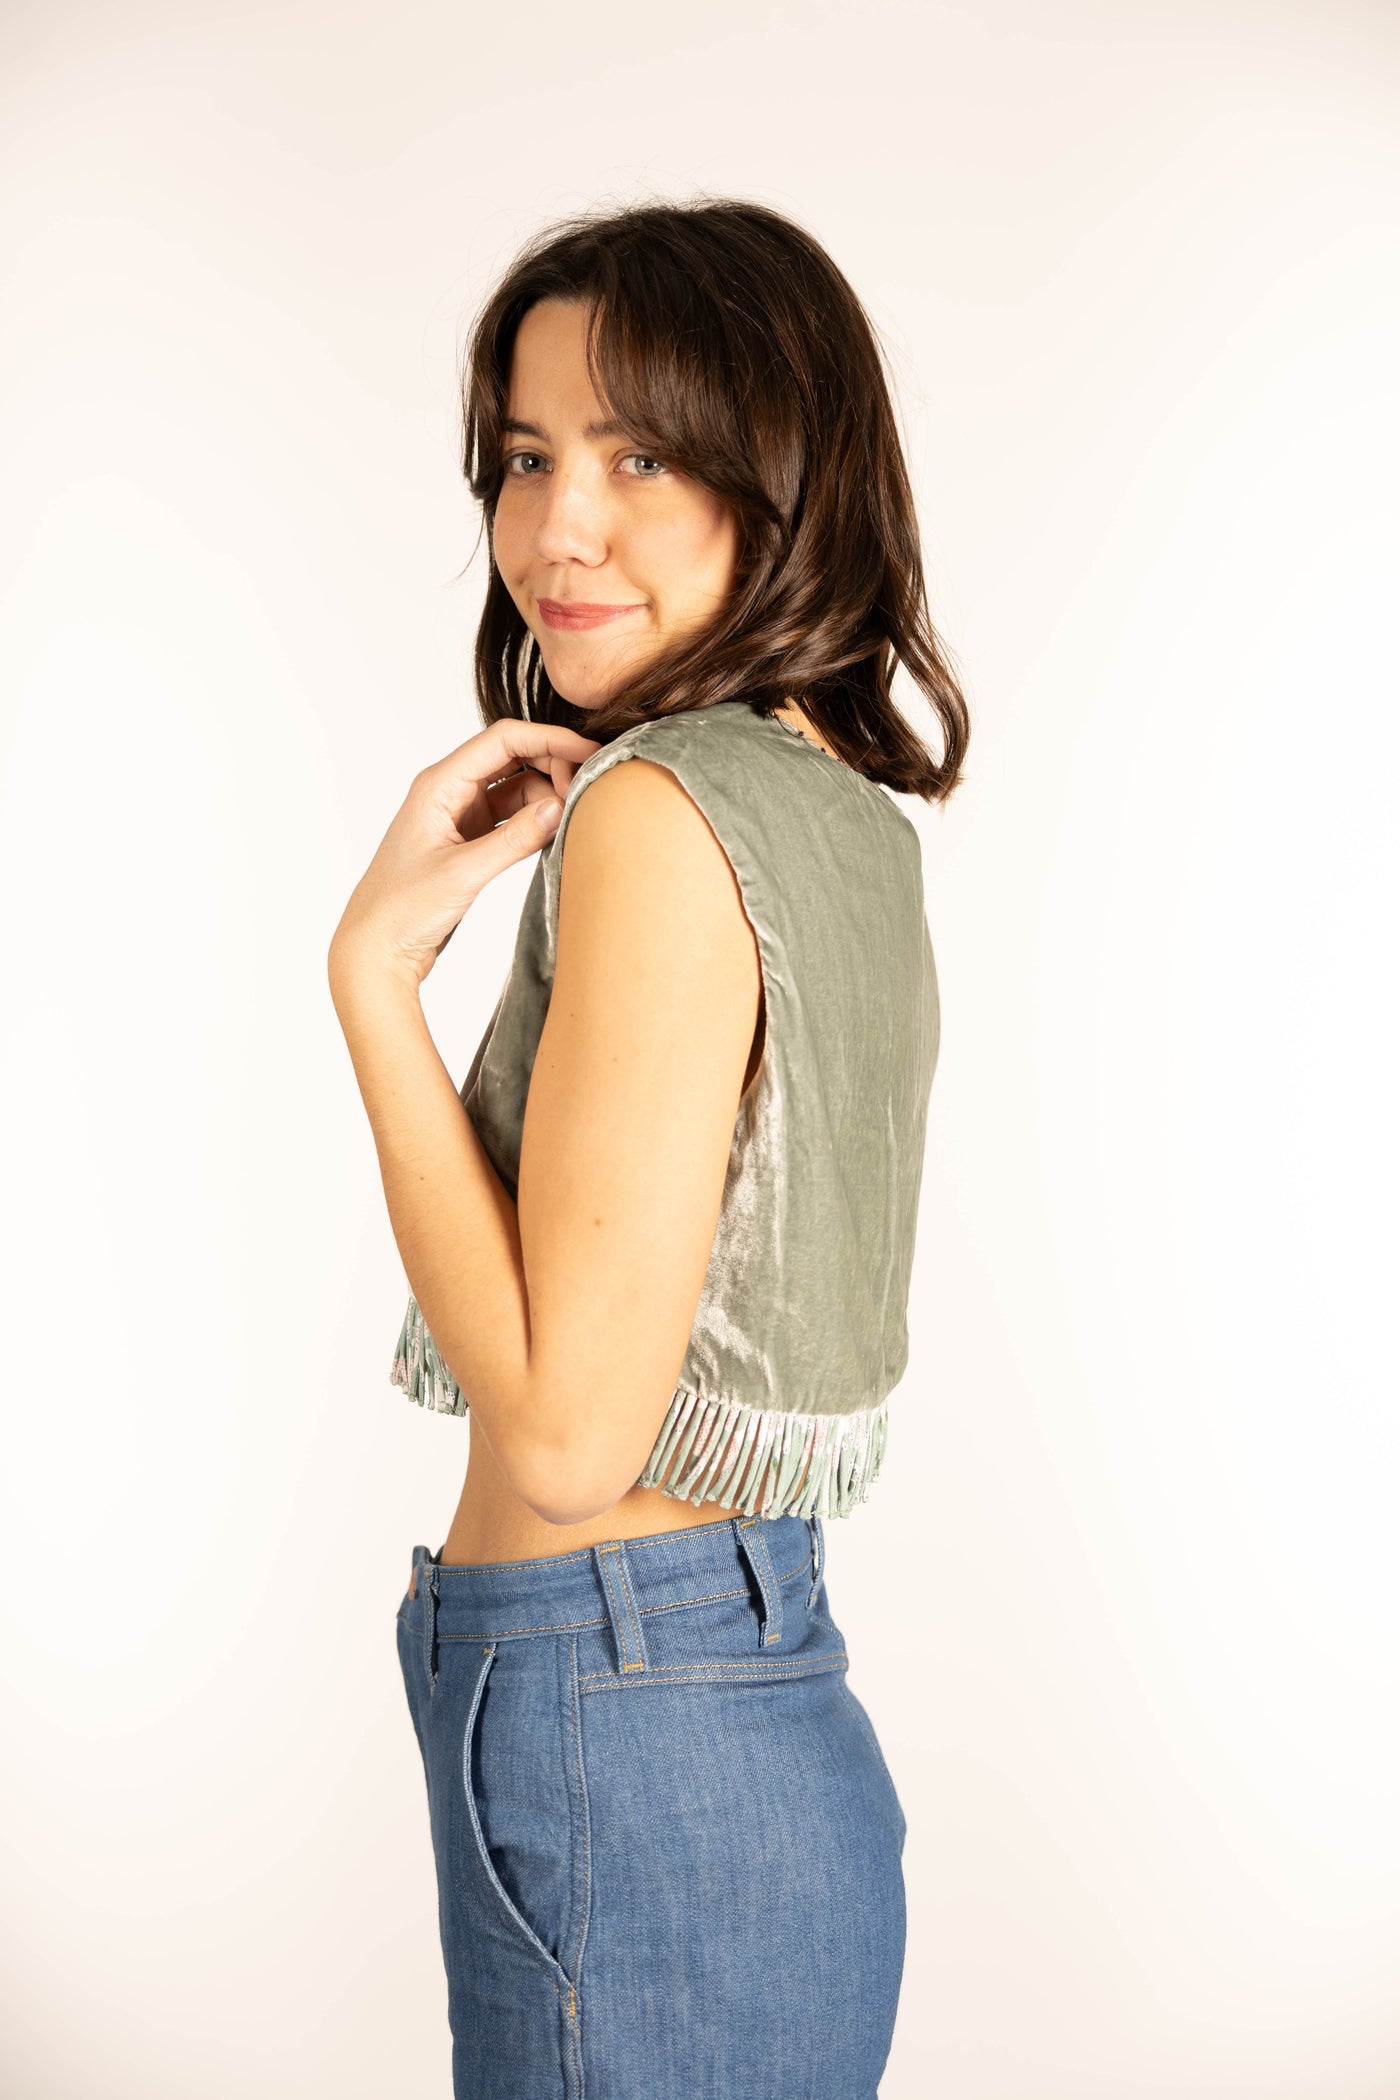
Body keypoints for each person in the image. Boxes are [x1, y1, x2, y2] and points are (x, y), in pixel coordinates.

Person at [328, 196, 969, 2100]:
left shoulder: (662, 814)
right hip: (719, 1700)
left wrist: (374, 976)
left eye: (640, 457)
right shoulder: (835, 811)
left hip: (627, 1718)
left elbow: (567, 1437)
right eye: (527, 460)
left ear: (785, 477)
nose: (557, 532)